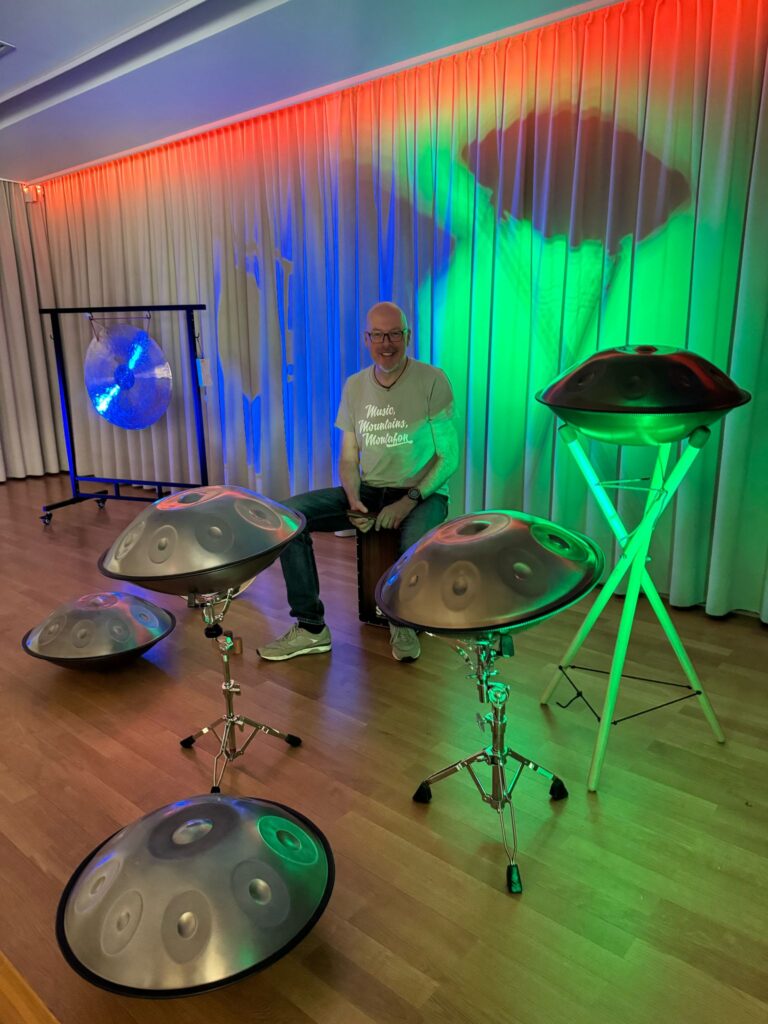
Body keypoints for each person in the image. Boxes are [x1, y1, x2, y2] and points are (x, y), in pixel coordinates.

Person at [258, 301, 458, 663]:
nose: (386, 343)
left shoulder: (432, 379)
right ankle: (311, 627)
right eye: (378, 335)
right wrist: (354, 500)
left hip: (423, 494)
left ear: (407, 336)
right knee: (289, 517)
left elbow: (449, 457)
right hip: (370, 490)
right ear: (366, 339)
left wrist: (408, 501)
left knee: (410, 545)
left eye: (394, 334)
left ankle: (403, 621)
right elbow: (349, 457)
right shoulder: (354, 386)